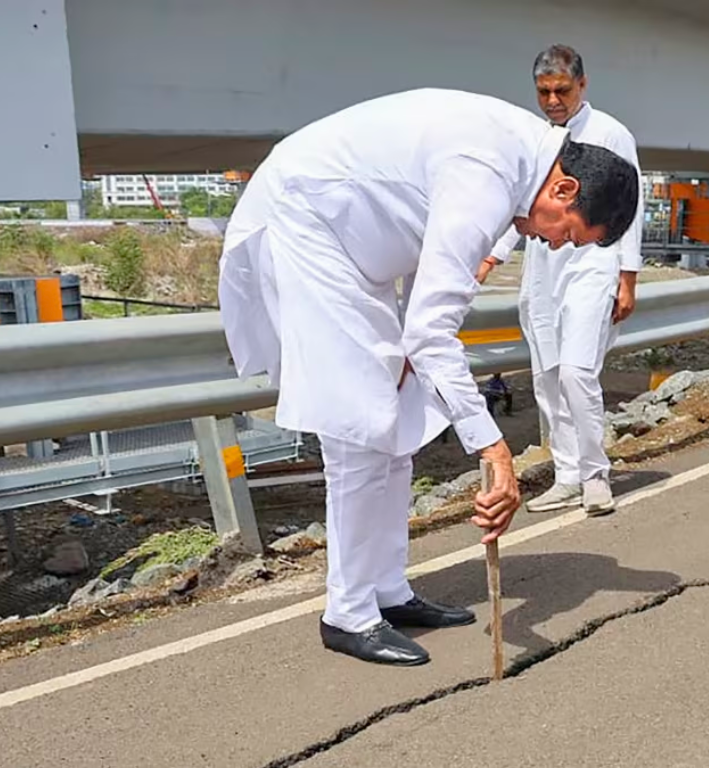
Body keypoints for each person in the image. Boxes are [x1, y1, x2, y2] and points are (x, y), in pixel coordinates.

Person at [218, 88, 639, 667]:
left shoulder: (518, 165)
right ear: (564, 189)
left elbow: (432, 298)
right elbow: (429, 328)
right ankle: (347, 613)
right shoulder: (487, 177)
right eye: (568, 232)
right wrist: (494, 449)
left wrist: (418, 365)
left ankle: (387, 591)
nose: (553, 243)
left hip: (359, 245)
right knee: (361, 430)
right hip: (306, 224)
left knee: (399, 421)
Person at [475, 44, 645, 517]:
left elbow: (629, 209)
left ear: (582, 85)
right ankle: (567, 474)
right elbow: (518, 205)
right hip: (544, 265)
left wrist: (627, 278)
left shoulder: (612, 134)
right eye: (544, 91)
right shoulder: (534, 138)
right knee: (547, 377)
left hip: (594, 261)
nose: (553, 100)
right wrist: (492, 257)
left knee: (576, 373)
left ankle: (595, 475)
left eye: (562, 90)